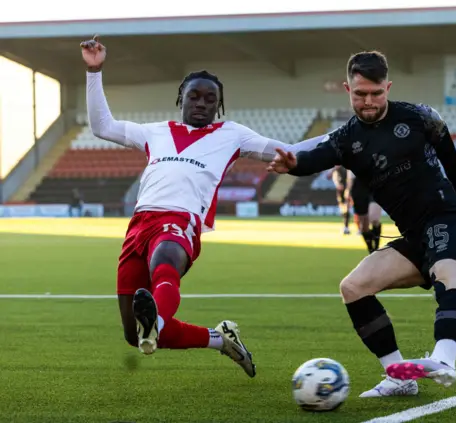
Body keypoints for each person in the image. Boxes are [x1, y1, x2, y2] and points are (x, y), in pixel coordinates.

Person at [80, 35, 323, 377]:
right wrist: (95, 71)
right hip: (137, 226)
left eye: (211, 99)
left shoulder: (232, 134)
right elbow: (102, 127)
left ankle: (156, 321)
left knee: (166, 262)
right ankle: (220, 340)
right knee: (133, 338)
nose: (201, 103)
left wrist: (344, 136)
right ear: (181, 98)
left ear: (219, 106)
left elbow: (290, 151)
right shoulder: (155, 132)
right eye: (194, 96)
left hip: (181, 221)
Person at [268, 50, 456, 397]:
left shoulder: (419, 117)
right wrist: (292, 166)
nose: (368, 101)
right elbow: (312, 159)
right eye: (360, 94)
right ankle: (399, 375)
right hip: (414, 236)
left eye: (376, 93)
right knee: (353, 287)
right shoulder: (346, 139)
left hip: (449, 216)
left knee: (450, 272)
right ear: (347, 89)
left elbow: (450, 156)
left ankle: (445, 358)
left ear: (388, 87)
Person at [346, 170, 383, 253]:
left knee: (374, 218)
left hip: (374, 182)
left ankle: (376, 249)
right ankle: (371, 249)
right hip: (358, 187)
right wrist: (348, 190)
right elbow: (350, 174)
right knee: (363, 226)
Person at [330, 165, 352, 234]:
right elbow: (334, 176)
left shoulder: (347, 167)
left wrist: (348, 189)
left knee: (348, 208)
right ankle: (346, 227)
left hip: (348, 189)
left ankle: (349, 227)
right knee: (343, 209)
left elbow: (350, 178)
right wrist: (337, 184)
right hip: (340, 191)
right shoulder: (336, 168)